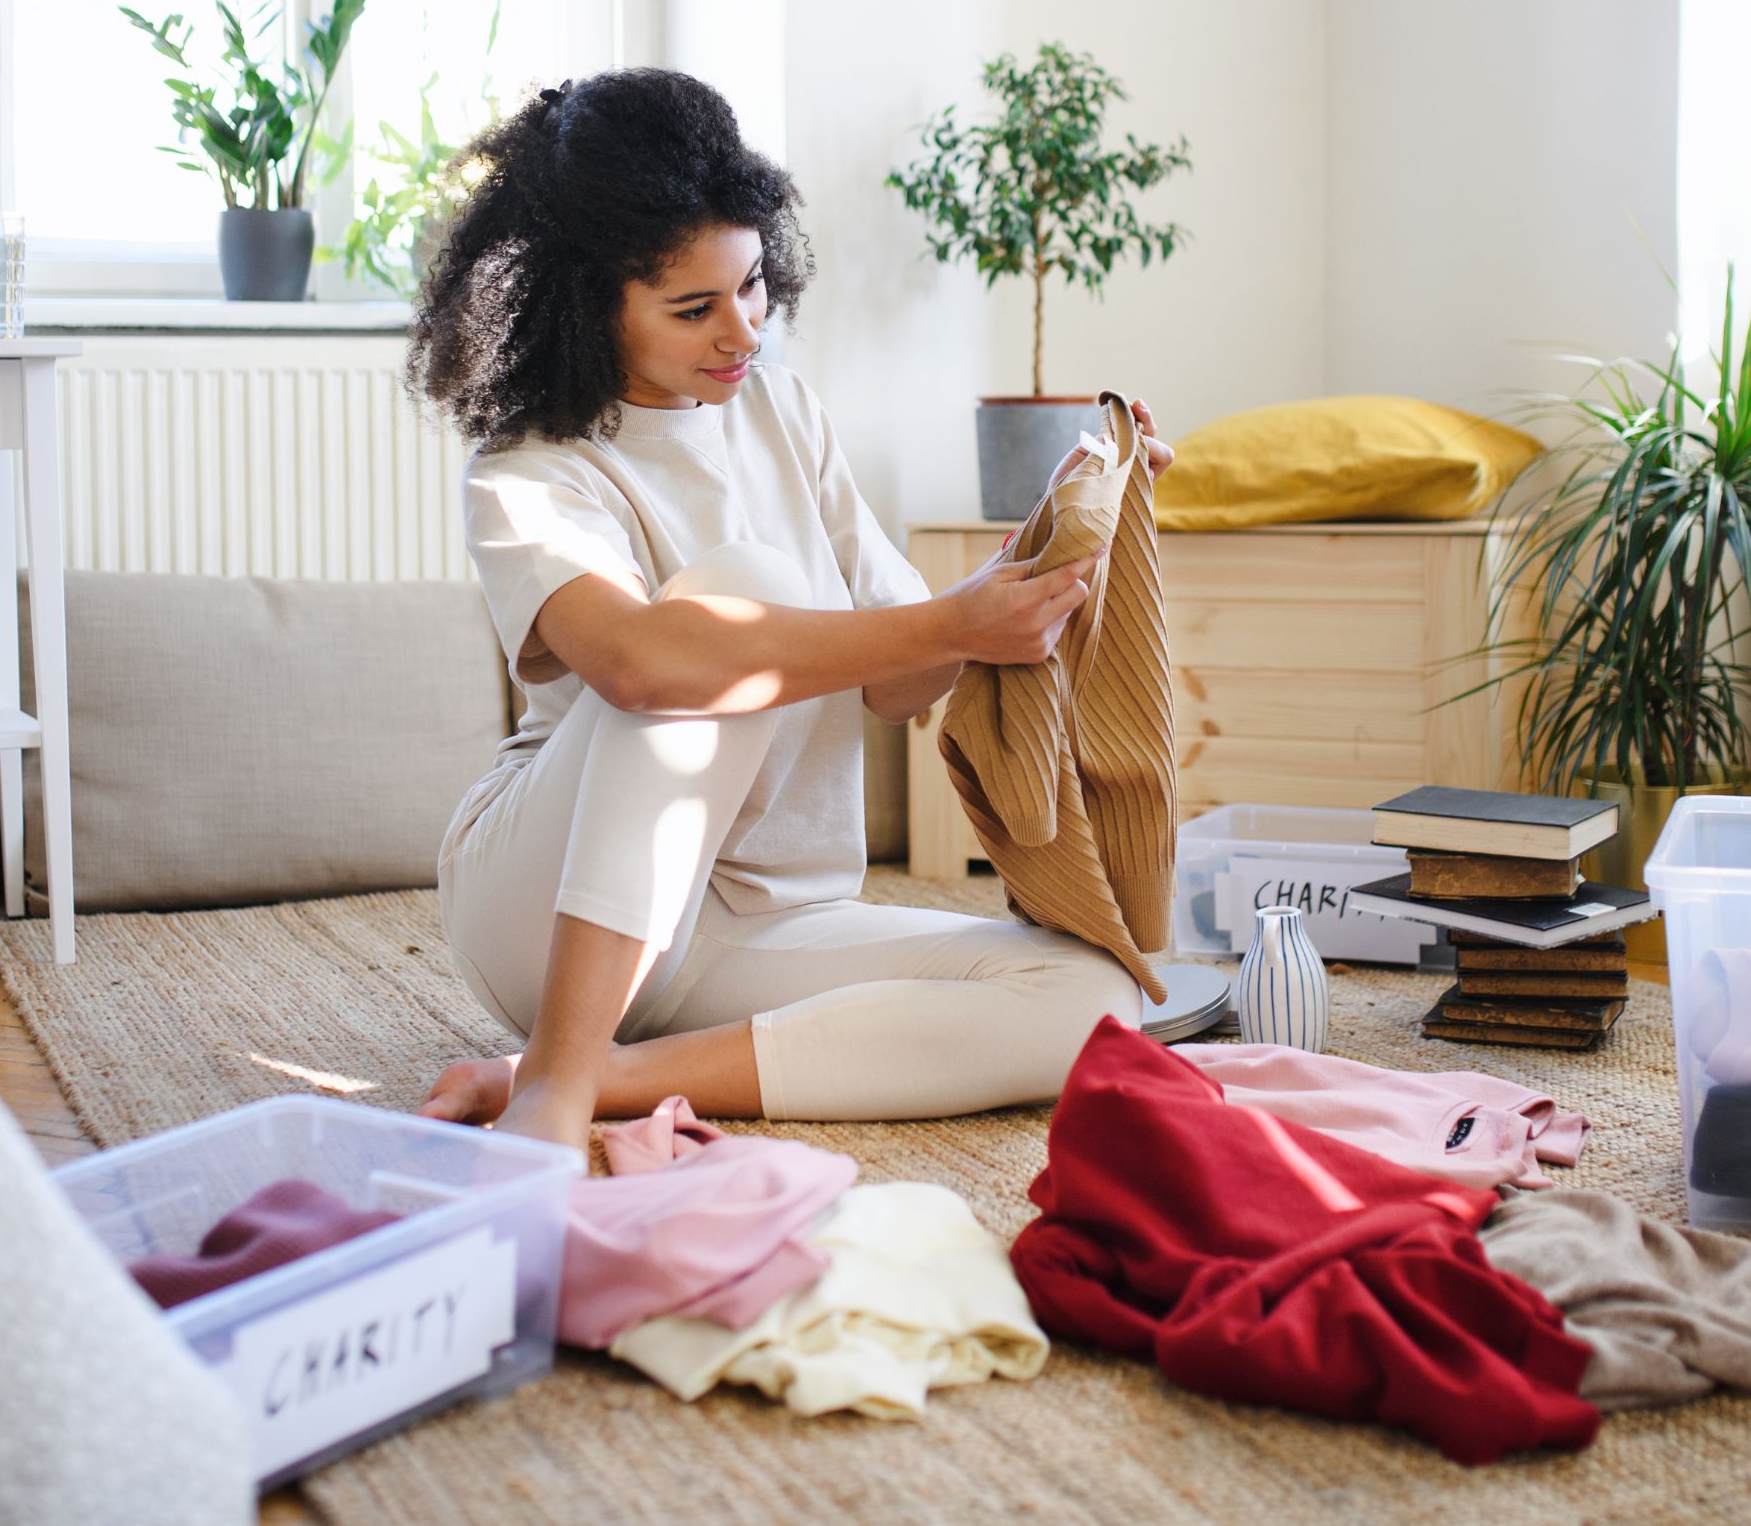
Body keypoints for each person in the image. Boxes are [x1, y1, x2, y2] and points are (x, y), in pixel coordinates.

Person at [405, 68, 1174, 1150]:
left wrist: (1047, 551)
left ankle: (603, 1076)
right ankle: (556, 1079)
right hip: (547, 913)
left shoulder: (783, 412)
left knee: (1095, 1001)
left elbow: (899, 676)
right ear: (586, 306)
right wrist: (948, 623)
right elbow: (640, 665)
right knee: (737, 598)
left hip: (767, 920)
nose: (743, 332)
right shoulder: (527, 471)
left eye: (753, 286)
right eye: (693, 307)